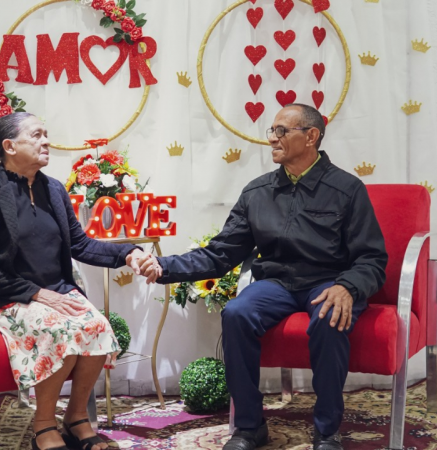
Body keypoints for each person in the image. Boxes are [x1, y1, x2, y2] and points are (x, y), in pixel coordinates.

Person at [145, 104, 388, 450]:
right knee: (236, 313)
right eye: (271, 131)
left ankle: (327, 430)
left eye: (281, 131)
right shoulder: (256, 192)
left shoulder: (347, 189)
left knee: (328, 314)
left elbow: (372, 258)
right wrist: (164, 266)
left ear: (311, 136)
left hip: (329, 282)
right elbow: (221, 253)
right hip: (276, 285)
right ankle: (248, 427)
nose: (272, 138)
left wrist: (348, 287)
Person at [0, 112, 158, 450]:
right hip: (6, 295)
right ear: (9, 146)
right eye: (36, 135)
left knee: (97, 326)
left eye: (46, 134)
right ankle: (44, 425)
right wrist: (35, 294)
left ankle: (76, 418)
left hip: (56, 291)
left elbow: (80, 244)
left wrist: (128, 253)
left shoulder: (53, 189)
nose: (46, 141)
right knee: (59, 329)